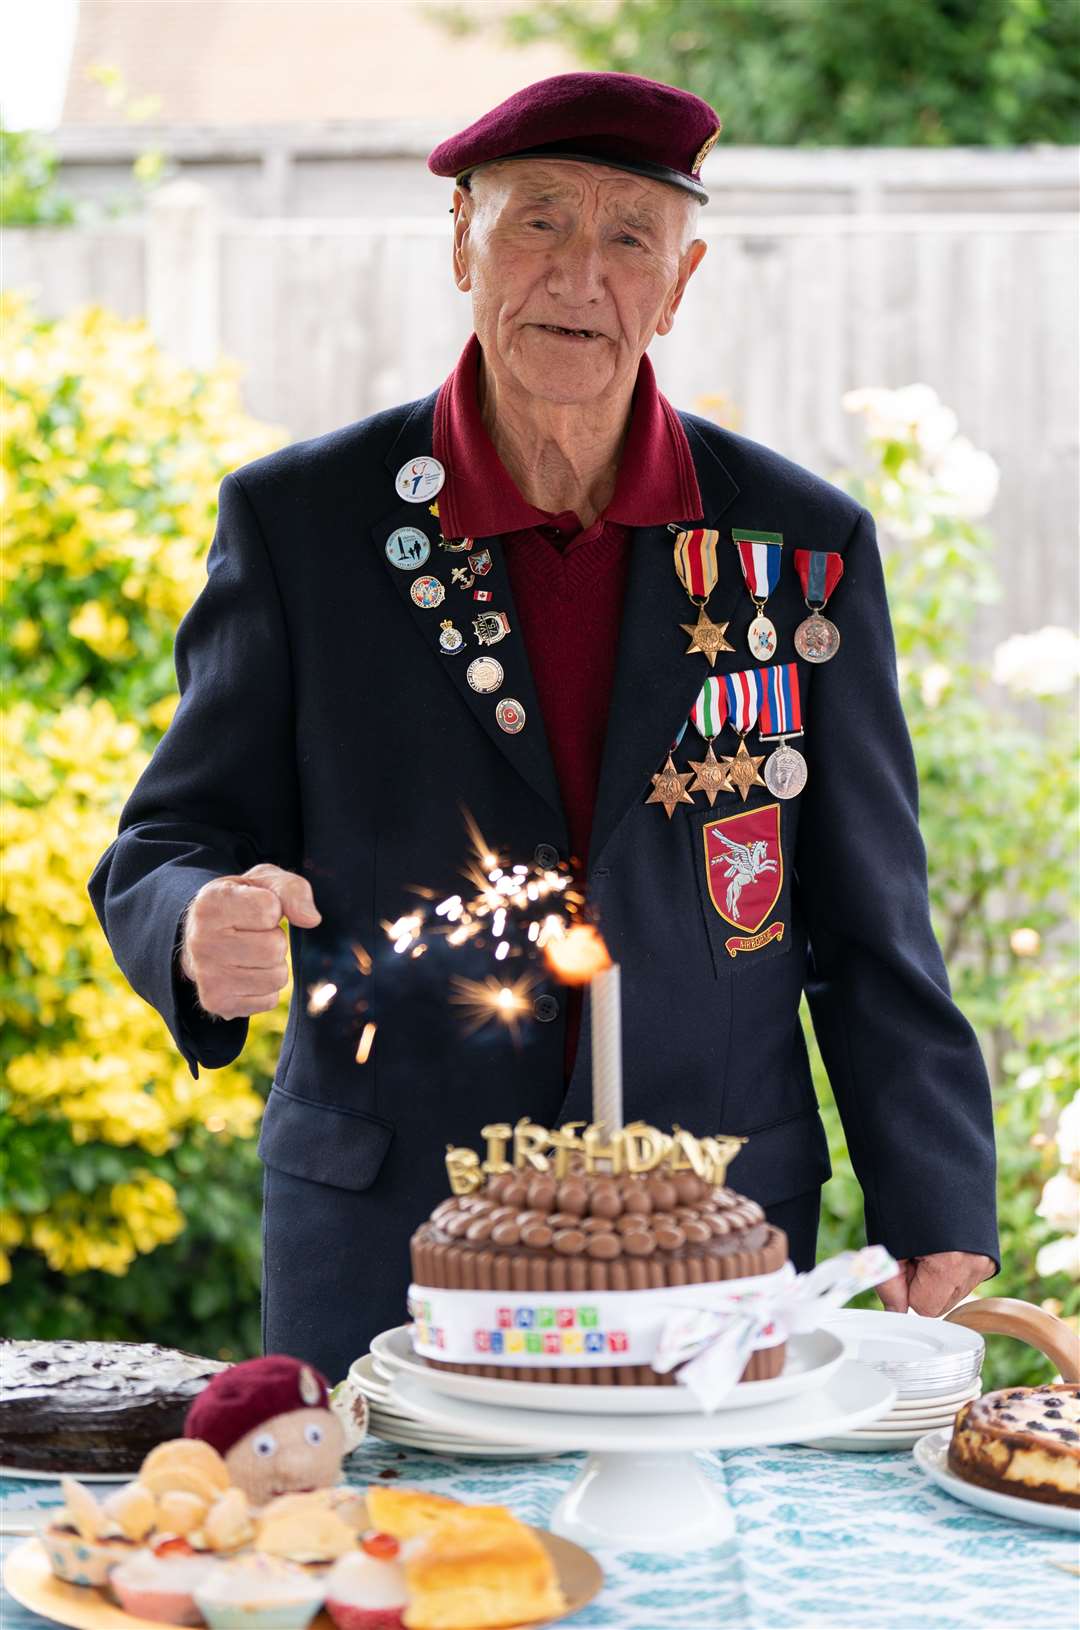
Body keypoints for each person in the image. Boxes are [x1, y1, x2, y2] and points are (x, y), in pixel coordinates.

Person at [88, 72, 999, 1383]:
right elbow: (171, 837)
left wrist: (935, 1206)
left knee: (696, 1574)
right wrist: (192, 921)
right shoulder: (305, 528)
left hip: (710, 1230)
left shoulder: (799, 548)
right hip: (387, 1232)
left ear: (679, 283)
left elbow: (871, 923)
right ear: (460, 239)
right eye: (539, 225)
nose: (583, 274)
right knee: (405, 1580)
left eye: (630, 237)